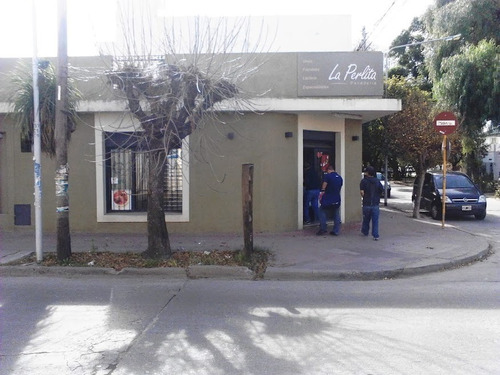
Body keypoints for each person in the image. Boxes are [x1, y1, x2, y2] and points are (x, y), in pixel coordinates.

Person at [317, 165, 343, 236]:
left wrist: (322, 191)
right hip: (337, 198)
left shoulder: (328, 176)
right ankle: (336, 231)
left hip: (328, 198)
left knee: (321, 211)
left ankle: (323, 229)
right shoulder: (340, 178)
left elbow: (324, 185)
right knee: (336, 214)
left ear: (328, 170)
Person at [360, 166, 384, 240]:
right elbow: (381, 190)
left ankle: (365, 231)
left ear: (367, 173)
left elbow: (362, 192)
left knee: (366, 219)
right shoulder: (377, 181)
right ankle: (375, 235)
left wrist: (365, 196)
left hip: (366, 203)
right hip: (375, 204)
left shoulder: (363, 181)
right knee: (375, 220)